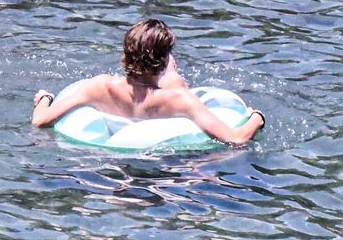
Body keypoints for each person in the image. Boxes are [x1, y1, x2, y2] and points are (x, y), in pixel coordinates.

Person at [31, 18, 266, 146]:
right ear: (164, 60)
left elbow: (40, 121)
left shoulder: (99, 87)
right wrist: (257, 118)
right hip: (165, 171)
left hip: (105, 166)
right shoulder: (179, 100)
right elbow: (236, 139)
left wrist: (45, 98)